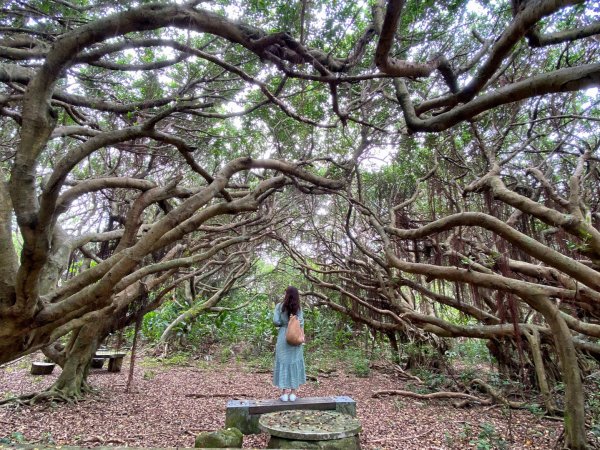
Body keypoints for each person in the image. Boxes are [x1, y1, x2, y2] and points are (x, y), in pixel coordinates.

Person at [273, 286, 306, 402]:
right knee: (294, 363)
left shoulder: (279, 306)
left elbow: (276, 322)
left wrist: (284, 322)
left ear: (286, 294)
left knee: (283, 363)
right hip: (295, 337)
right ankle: (293, 393)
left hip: (283, 336)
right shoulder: (298, 308)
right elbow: (301, 322)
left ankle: (284, 393)